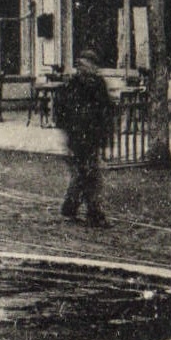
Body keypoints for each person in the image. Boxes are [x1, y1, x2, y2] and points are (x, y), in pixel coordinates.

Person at [57, 50, 116, 227]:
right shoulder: (72, 85)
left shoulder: (99, 85)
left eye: (90, 65)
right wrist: (68, 132)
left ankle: (71, 206)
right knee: (90, 174)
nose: (86, 68)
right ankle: (94, 212)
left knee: (85, 174)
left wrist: (106, 137)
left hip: (93, 135)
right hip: (77, 136)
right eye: (83, 65)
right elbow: (61, 112)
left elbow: (106, 111)